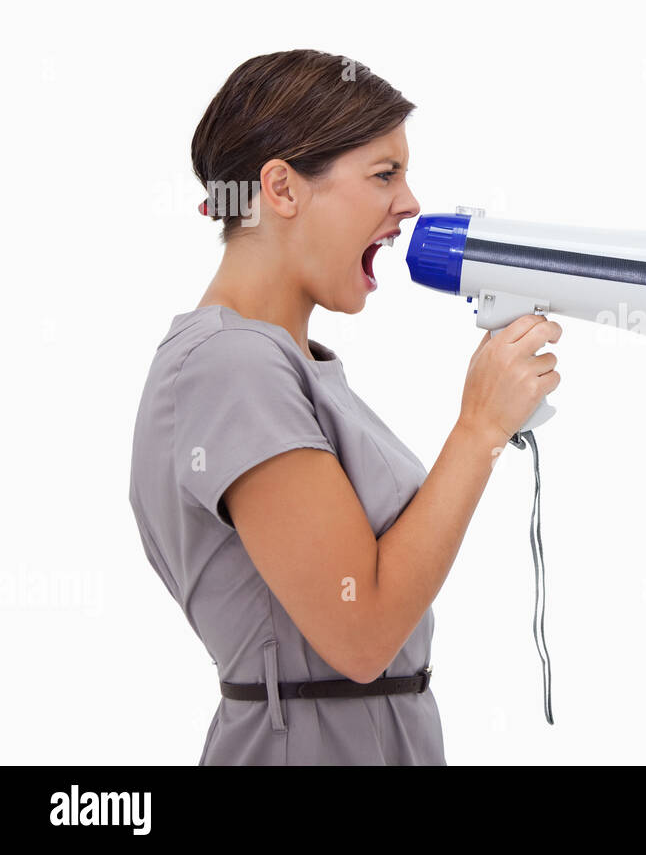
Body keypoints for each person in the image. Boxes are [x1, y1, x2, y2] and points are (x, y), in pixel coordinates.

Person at [128, 49, 561, 764]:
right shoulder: (230, 366)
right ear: (283, 188)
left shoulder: (290, 364)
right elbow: (362, 632)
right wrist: (480, 427)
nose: (411, 203)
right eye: (384, 174)